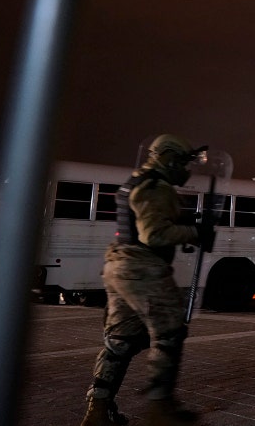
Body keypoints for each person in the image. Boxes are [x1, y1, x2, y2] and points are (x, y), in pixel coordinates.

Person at [80, 134, 213, 426]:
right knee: (170, 333)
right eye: (181, 161)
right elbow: (153, 234)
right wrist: (195, 233)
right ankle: (160, 409)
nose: (185, 169)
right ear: (165, 156)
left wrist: (185, 221)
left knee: (120, 342)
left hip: (120, 266)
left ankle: (98, 410)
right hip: (143, 268)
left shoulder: (136, 181)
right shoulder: (157, 186)